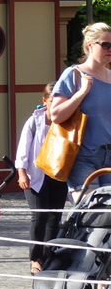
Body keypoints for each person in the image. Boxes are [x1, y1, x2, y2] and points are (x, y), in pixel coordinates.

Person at [50, 22, 111, 198]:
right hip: (83, 155)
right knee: (90, 213)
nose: (110, 49)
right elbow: (55, 115)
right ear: (90, 46)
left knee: (107, 218)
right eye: (105, 44)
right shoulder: (74, 75)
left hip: (109, 154)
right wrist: (82, 93)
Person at [15, 83, 68, 274]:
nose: (56, 104)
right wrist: (22, 173)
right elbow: (23, 150)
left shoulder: (65, 121)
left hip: (57, 173)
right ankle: (35, 258)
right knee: (39, 216)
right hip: (35, 175)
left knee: (55, 216)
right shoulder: (33, 122)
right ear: (44, 101)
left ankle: (49, 254)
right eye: (52, 100)